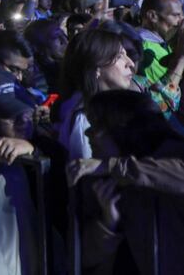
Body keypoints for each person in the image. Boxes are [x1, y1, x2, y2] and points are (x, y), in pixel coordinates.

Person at [68, 90, 184, 274]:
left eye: (96, 125)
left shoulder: (170, 154)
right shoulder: (99, 179)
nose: (88, 133)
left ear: (123, 128)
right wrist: (107, 223)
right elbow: (84, 258)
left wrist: (113, 167)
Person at [57, 28, 135, 159]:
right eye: (119, 56)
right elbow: (87, 174)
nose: (130, 63)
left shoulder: (114, 108)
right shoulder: (86, 122)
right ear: (95, 67)